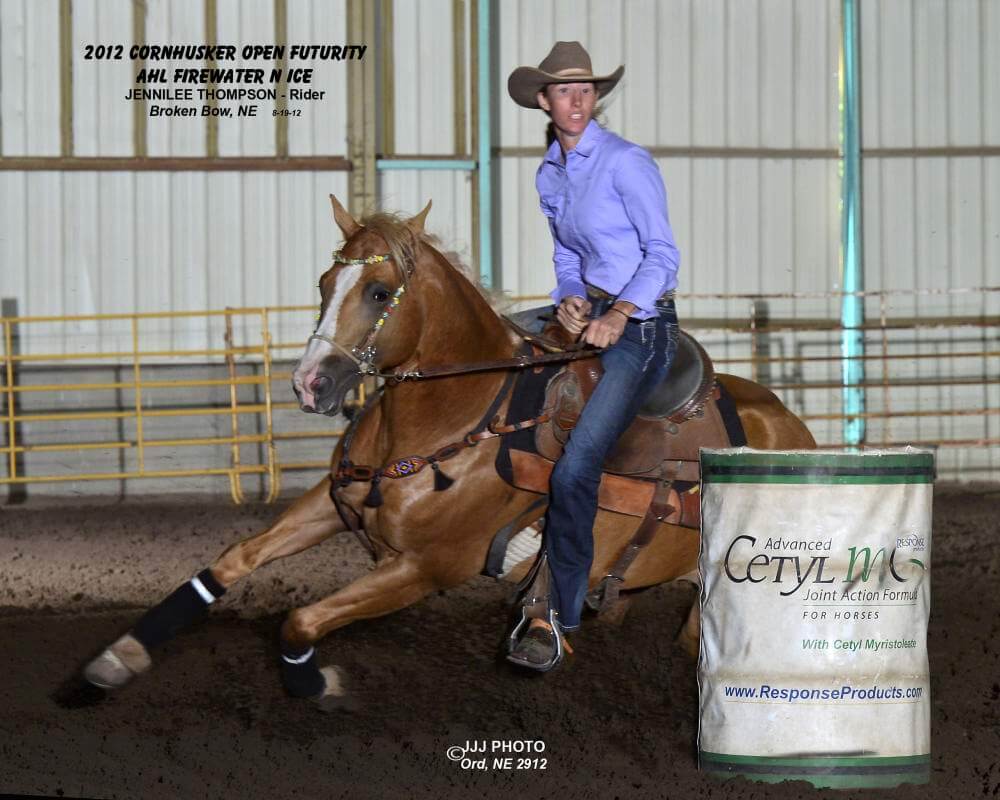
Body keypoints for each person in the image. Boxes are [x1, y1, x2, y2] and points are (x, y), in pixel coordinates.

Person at [506, 41, 680, 671]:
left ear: (595, 97)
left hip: (643, 327)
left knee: (576, 466)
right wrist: (571, 298)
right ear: (544, 101)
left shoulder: (626, 162)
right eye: (564, 91)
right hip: (590, 314)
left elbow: (663, 255)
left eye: (586, 90)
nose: (577, 100)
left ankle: (559, 613)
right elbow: (566, 253)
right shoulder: (549, 172)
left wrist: (618, 313)